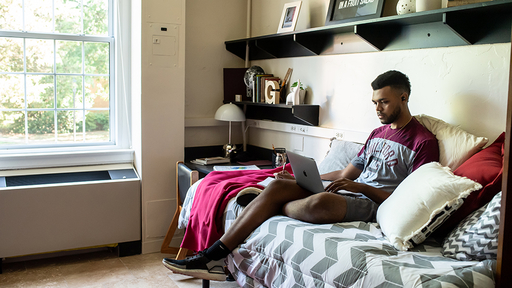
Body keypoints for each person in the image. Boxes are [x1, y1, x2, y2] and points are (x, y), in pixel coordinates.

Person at [162, 70, 440, 280]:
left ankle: (263, 207)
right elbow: (346, 173)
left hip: (374, 203)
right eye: (375, 102)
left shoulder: (423, 141)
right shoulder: (377, 134)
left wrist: (361, 188)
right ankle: (211, 256)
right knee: (278, 187)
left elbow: (410, 197)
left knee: (317, 203)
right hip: (350, 190)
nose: (377, 109)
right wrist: (309, 178)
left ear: (404, 98)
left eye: (384, 102)